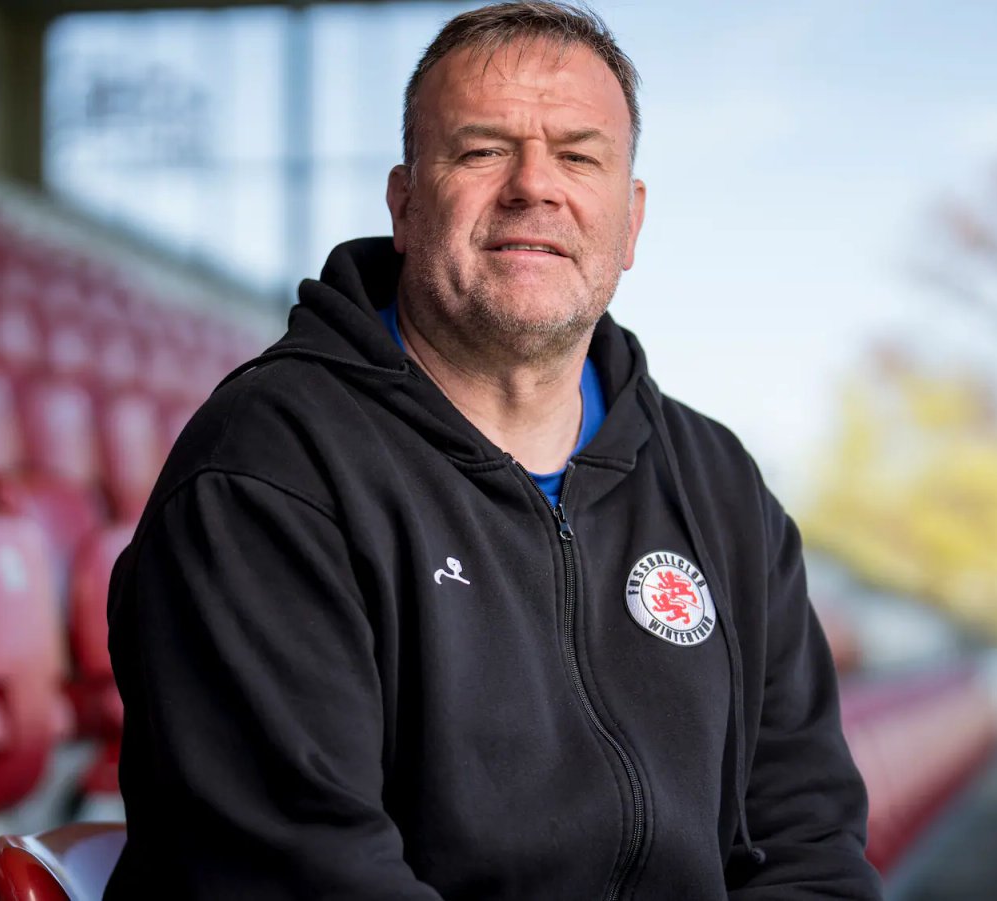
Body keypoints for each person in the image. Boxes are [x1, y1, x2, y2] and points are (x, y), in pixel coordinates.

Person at [104, 2, 881, 898]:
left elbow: (809, 842)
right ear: (405, 204)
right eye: (481, 150)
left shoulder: (719, 487)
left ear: (630, 222)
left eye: (578, 157)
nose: (533, 187)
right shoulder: (267, 472)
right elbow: (310, 875)